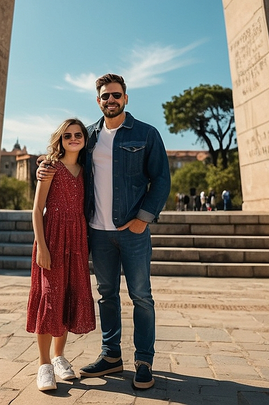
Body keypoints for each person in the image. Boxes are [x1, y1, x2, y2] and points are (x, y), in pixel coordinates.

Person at [39, 73, 170, 389]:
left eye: (116, 95)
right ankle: (111, 356)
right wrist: (45, 164)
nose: (110, 100)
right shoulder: (90, 136)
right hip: (96, 231)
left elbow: (162, 179)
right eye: (104, 96)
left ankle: (143, 360)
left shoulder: (146, 133)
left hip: (133, 231)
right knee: (106, 295)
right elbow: (67, 160)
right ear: (97, 101)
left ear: (126, 98)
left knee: (141, 296)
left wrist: (143, 218)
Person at [27, 118, 96, 392]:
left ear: (84, 139)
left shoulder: (85, 170)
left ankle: (59, 357)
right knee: (49, 298)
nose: (74, 138)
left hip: (77, 240)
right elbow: (36, 210)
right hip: (52, 239)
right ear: (60, 139)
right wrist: (41, 247)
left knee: (67, 296)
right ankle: (43, 364)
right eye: (68, 135)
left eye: (78, 134)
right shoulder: (50, 167)